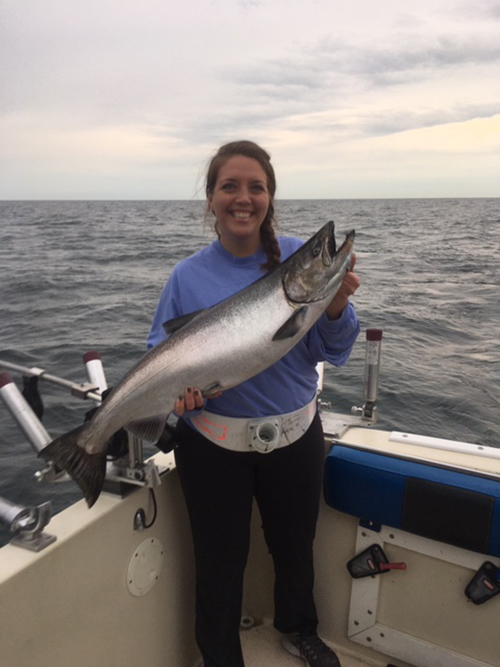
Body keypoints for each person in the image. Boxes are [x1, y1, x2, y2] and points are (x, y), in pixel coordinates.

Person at [147, 140, 360, 667]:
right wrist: (180, 398)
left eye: (256, 187)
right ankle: (220, 655)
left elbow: (334, 351)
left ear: (270, 197)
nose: (243, 198)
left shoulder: (297, 258)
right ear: (211, 198)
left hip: (295, 435)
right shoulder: (187, 275)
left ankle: (299, 629)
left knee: (294, 546)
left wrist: (336, 308)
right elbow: (159, 351)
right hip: (212, 443)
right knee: (219, 561)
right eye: (230, 186)